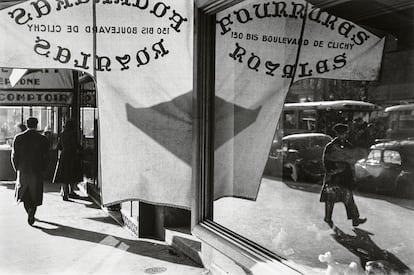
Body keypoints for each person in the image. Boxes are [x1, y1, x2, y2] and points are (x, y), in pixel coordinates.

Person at [320, 123, 367, 228]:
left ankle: (355, 219)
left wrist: (353, 175)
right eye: (340, 133)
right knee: (330, 198)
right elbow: (325, 160)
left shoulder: (349, 146)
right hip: (333, 176)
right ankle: (328, 217)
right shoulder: (330, 146)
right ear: (337, 134)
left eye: (344, 133)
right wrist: (333, 170)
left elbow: (352, 161)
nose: (342, 135)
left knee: (349, 197)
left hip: (345, 176)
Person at [11, 117, 49, 226]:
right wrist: (44, 168)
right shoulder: (42, 139)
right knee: (35, 193)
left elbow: (14, 156)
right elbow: (47, 156)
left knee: (24, 193)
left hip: (23, 170)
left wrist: (17, 168)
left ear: (27, 125)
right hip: (37, 170)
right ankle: (32, 211)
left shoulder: (18, 138)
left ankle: (29, 210)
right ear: (36, 125)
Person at [53, 120, 83, 201]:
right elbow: (75, 145)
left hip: (64, 155)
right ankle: (71, 191)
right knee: (72, 174)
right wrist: (81, 149)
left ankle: (65, 192)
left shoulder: (62, 134)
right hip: (72, 155)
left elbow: (59, 146)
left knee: (64, 175)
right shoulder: (73, 134)